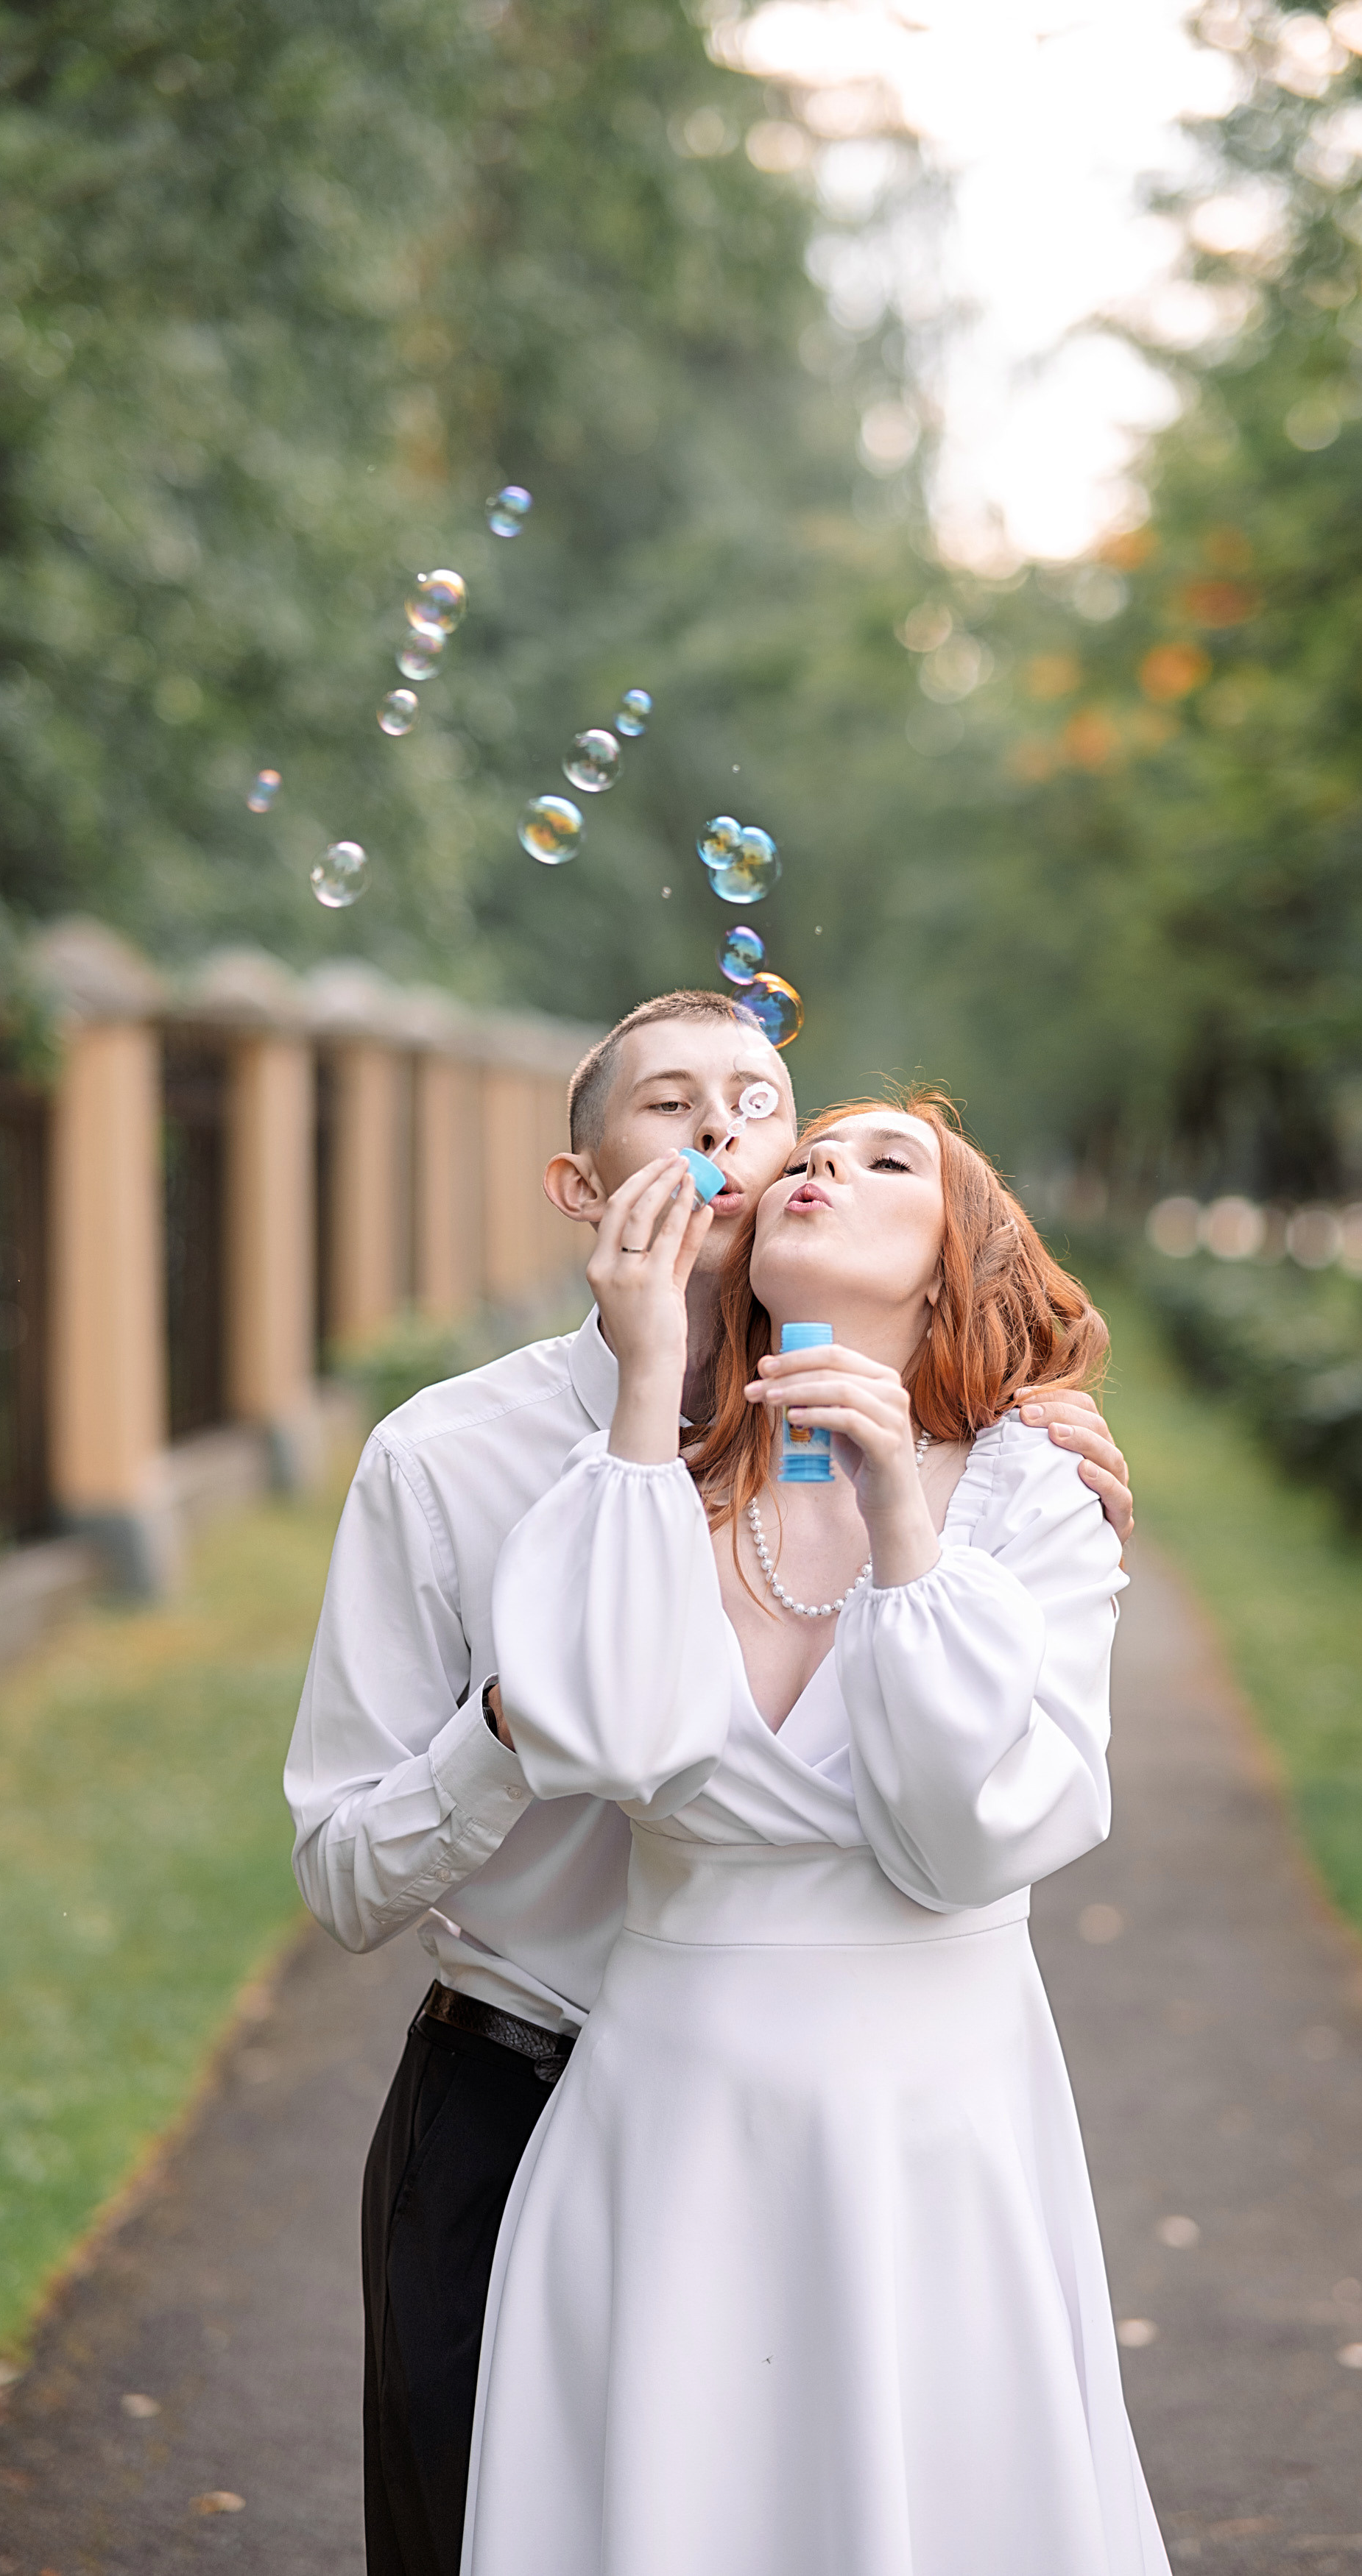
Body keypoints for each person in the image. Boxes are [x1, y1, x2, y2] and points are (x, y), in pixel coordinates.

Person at [283, 997, 1137, 2576]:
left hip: (891, 2117)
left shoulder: (1006, 1471)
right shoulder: (463, 1461)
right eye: (673, 1105)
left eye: (768, 1105)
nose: (737, 1139)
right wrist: (510, 1716)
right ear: (582, 1185)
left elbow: (988, 1797)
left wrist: (967, 1465)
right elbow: (343, 1870)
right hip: (542, 2090)